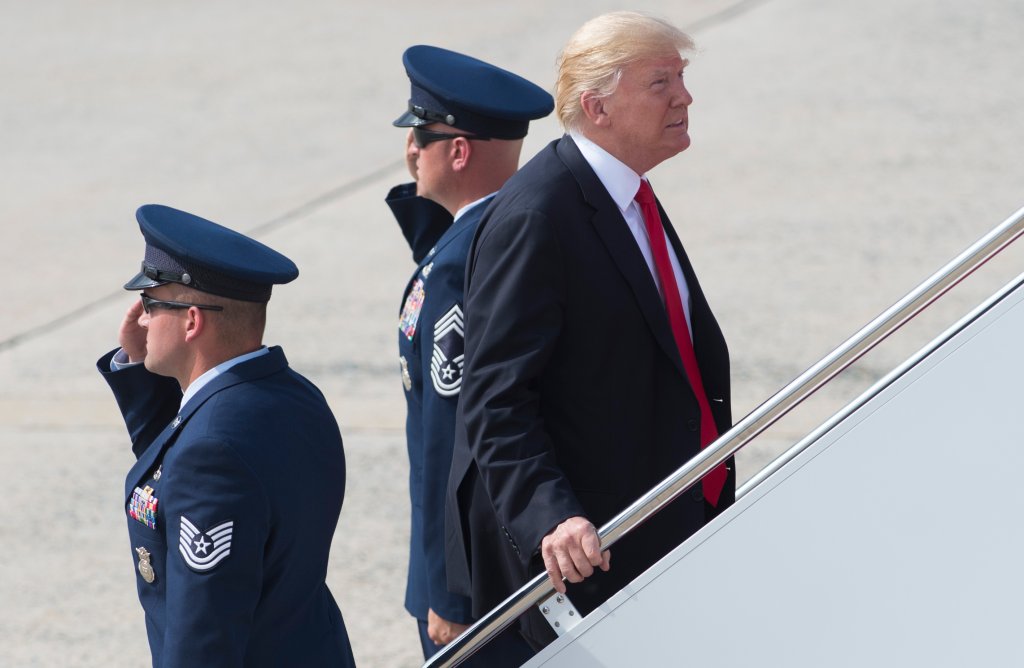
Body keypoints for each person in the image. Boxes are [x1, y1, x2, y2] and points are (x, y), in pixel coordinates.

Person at [445, 11, 737, 654]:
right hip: (591, 555)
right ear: (596, 106)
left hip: (667, 520)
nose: (685, 97)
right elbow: (495, 398)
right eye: (661, 82)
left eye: (681, 78)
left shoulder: (630, 196)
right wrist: (551, 516)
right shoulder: (538, 215)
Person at [97, 204, 356, 667]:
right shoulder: (294, 397)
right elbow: (179, 461)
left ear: (192, 321)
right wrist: (140, 370)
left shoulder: (211, 453)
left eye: (151, 305)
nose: (141, 320)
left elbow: (205, 636)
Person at [389, 45, 553, 662]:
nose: (409, 151)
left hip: (469, 582)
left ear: (458, 152)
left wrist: (449, 591)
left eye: (421, 137)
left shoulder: (460, 265)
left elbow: (450, 437)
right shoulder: (491, 235)